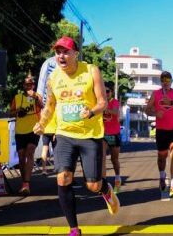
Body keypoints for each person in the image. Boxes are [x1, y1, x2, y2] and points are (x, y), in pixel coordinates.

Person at [34, 36, 119, 236]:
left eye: (65, 52)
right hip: (64, 134)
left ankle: (105, 189)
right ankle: (73, 229)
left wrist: (90, 112)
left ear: (75, 54)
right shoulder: (53, 77)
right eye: (57, 52)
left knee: (92, 185)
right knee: (63, 179)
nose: (61, 56)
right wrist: (42, 123)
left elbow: (102, 102)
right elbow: (50, 106)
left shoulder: (91, 71)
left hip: (90, 135)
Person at [146, 71, 173, 199]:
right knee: (162, 156)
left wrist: (172, 103)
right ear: (161, 81)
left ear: (171, 81)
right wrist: (154, 113)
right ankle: (162, 176)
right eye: (163, 80)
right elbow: (147, 109)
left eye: (168, 80)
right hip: (161, 130)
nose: (166, 82)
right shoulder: (155, 94)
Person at [10, 75, 42, 195]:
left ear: (33, 85)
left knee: (30, 151)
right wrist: (18, 111)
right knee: (21, 156)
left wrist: (35, 98)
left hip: (34, 128)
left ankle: (26, 184)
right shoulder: (17, 97)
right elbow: (11, 112)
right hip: (20, 131)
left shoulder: (36, 96)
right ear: (23, 85)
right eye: (26, 84)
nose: (29, 86)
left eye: (31, 84)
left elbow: (42, 106)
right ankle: (24, 182)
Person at [37, 56, 58, 174]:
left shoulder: (45, 109)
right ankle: (56, 168)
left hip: (46, 130)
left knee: (45, 149)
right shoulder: (54, 107)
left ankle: (44, 169)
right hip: (54, 130)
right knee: (55, 150)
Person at [102, 82, 122, 192]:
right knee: (103, 158)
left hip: (114, 134)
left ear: (112, 92)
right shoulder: (100, 101)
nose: (106, 93)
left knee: (114, 159)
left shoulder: (114, 102)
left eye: (108, 91)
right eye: (104, 91)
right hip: (103, 134)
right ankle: (103, 184)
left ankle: (117, 179)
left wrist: (105, 109)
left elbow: (114, 112)